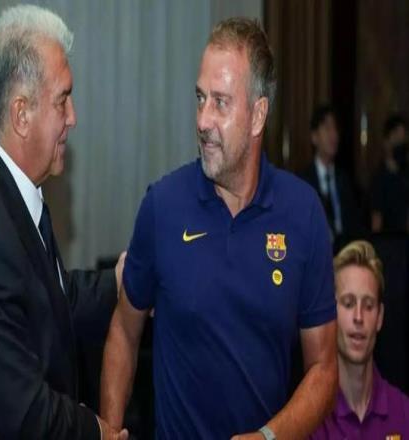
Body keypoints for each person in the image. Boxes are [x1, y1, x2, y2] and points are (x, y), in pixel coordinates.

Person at [100, 17, 337, 439]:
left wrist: (268, 437)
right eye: (200, 98)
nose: (203, 120)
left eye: (221, 103)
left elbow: (323, 368)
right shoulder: (163, 206)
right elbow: (123, 330)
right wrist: (110, 430)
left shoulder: (302, 215)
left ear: (258, 115)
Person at [0, 5, 127, 439]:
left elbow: (50, 300)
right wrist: (98, 431)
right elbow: (24, 413)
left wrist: (119, 281)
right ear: (21, 114)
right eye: (63, 99)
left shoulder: (9, 188)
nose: (73, 117)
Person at [310, 240, 409, 439]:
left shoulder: (404, 412)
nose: (358, 317)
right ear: (330, 314)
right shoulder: (309, 419)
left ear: (379, 317)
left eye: (369, 305)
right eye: (348, 303)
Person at [299, 105, 362, 252]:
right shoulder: (303, 181)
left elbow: (355, 227)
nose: (334, 135)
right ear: (314, 137)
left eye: (335, 129)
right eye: (327, 128)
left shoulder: (345, 180)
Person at [371, 114, 409, 233]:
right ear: (386, 141)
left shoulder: (405, 176)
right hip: (389, 241)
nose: (400, 143)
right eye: (396, 138)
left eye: (403, 139)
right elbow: (376, 221)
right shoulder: (379, 178)